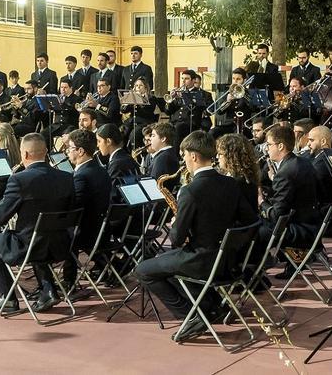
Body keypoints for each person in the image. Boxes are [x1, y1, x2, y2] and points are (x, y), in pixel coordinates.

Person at [134, 131, 257, 339]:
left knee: (143, 270)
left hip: (201, 262)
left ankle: (192, 316)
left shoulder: (191, 190)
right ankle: (213, 306)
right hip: (228, 262)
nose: (183, 160)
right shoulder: (231, 183)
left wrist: (175, 223)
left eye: (184, 155)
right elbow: (250, 220)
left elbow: (176, 240)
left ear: (193, 156)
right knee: (166, 263)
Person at [0, 133, 74, 313]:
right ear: (46, 152)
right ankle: (48, 290)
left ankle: (7, 297)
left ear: (24, 154)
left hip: (32, 246)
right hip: (61, 244)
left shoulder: (19, 180)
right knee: (35, 234)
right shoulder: (66, 177)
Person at [62, 129, 111, 287]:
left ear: (80, 151)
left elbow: (75, 206)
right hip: (101, 229)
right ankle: (108, 267)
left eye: (70, 148)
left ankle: (68, 281)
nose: (67, 152)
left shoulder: (82, 175)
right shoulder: (101, 170)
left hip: (86, 232)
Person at [259, 124, 319, 252]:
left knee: (253, 231)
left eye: (269, 145)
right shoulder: (303, 162)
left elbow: (276, 215)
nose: (266, 149)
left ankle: (255, 266)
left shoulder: (285, 172)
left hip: (298, 229)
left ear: (280, 146)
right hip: (311, 224)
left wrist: (261, 201)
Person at [216, 133, 261, 211]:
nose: (217, 157)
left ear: (231, 156)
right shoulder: (247, 176)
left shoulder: (235, 182)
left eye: (220, 154)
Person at [305, 125, 332, 207]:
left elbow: (309, 181)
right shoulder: (314, 155)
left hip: (320, 208)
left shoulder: (326, 160)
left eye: (311, 140)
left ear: (323, 141)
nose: (308, 144)